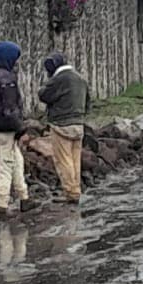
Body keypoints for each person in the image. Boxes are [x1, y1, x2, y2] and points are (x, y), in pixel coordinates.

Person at [0, 41, 38, 219]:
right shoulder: (7, 79)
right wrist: (21, 129)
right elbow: (10, 110)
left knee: (16, 158)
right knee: (6, 166)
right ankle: (2, 206)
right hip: (6, 131)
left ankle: (24, 197)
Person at [38, 52, 90, 205]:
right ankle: (76, 188)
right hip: (78, 124)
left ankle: (71, 193)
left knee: (64, 160)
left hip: (61, 125)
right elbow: (88, 101)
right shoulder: (80, 78)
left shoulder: (58, 80)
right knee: (75, 160)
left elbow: (44, 95)